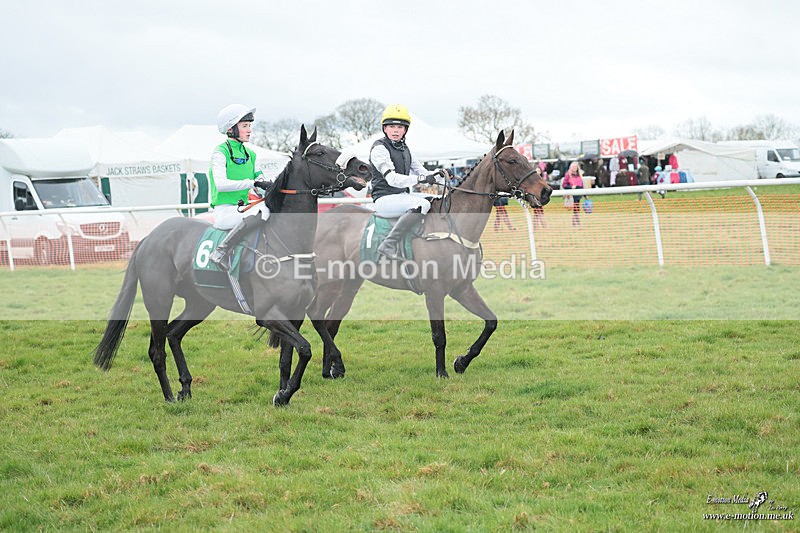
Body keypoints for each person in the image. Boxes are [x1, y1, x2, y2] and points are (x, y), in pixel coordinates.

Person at [370, 104, 447, 259]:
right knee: (423, 204)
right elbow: (392, 180)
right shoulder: (379, 149)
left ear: (405, 130)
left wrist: (441, 174)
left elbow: (423, 172)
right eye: (392, 126)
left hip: (400, 198)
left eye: (400, 127)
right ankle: (389, 244)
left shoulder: (405, 149)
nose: (396, 130)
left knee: (436, 200)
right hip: (384, 200)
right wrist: (421, 179)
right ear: (385, 129)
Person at [208, 103, 272, 270]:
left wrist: (272, 186)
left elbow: (260, 182)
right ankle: (221, 251)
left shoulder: (251, 155)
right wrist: (252, 183)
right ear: (231, 129)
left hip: (242, 209)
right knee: (262, 211)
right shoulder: (220, 153)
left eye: (250, 125)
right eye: (244, 126)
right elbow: (221, 185)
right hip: (224, 212)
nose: (249, 130)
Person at [561, 161, 584, 226]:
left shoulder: (579, 174)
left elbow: (582, 184)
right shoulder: (568, 174)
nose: (574, 168)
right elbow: (564, 185)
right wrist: (571, 187)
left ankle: (575, 221)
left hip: (579, 192)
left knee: (577, 207)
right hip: (572, 194)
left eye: (575, 167)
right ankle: (576, 221)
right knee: (575, 207)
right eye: (573, 167)